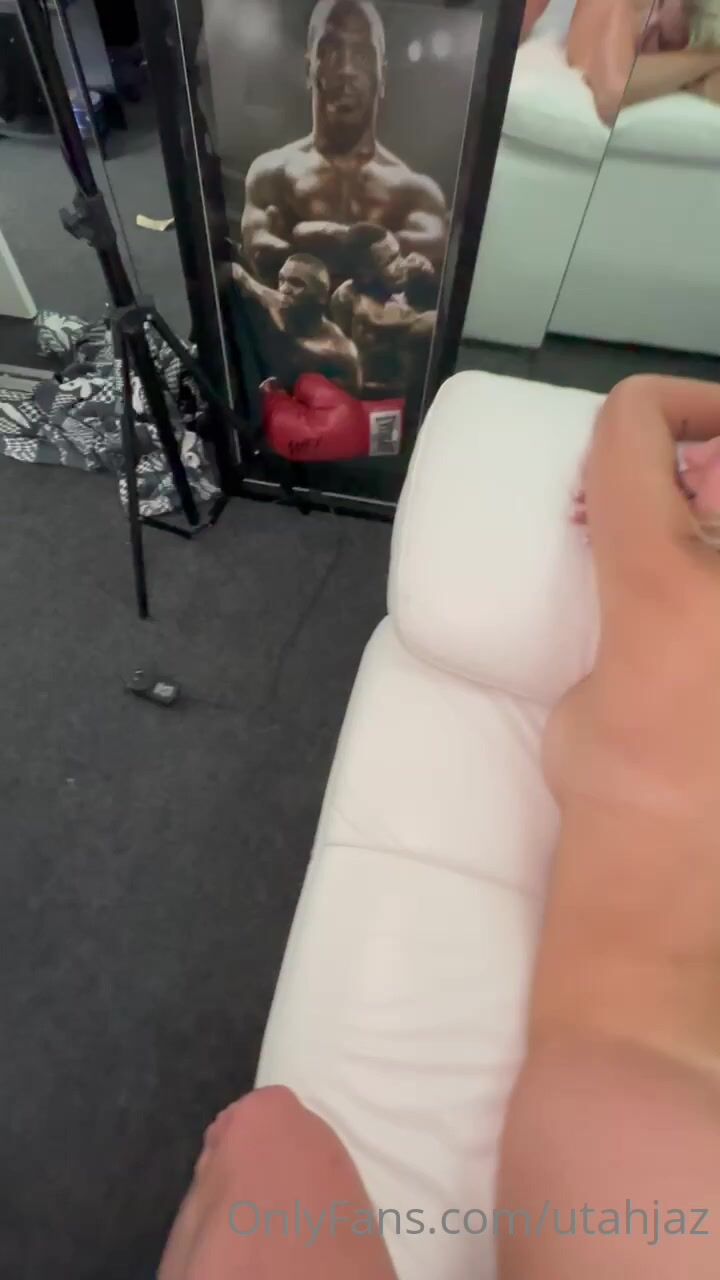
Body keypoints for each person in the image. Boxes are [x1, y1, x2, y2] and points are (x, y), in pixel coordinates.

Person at [156, 374, 720, 1278]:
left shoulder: (680, 583)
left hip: (646, 1126)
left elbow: (638, 403)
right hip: (646, 1144)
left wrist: (672, 476)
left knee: (256, 1138)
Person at [240, 0, 449, 287]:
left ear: (382, 77)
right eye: (331, 52)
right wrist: (372, 249)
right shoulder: (270, 175)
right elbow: (261, 255)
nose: (347, 69)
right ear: (309, 68)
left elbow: (430, 265)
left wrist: (305, 235)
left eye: (362, 55)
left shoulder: (416, 192)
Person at [330, 223, 437, 399]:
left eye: (399, 254)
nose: (403, 264)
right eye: (391, 260)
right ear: (365, 274)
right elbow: (433, 325)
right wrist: (430, 281)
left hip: (401, 391)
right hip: (378, 397)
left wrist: (424, 280)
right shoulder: (363, 308)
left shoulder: (387, 287)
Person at [231, 253, 361, 394]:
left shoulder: (339, 352)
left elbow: (290, 354)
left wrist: (246, 281)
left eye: (297, 283)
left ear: (322, 296)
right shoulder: (269, 309)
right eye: (281, 280)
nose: (284, 289)